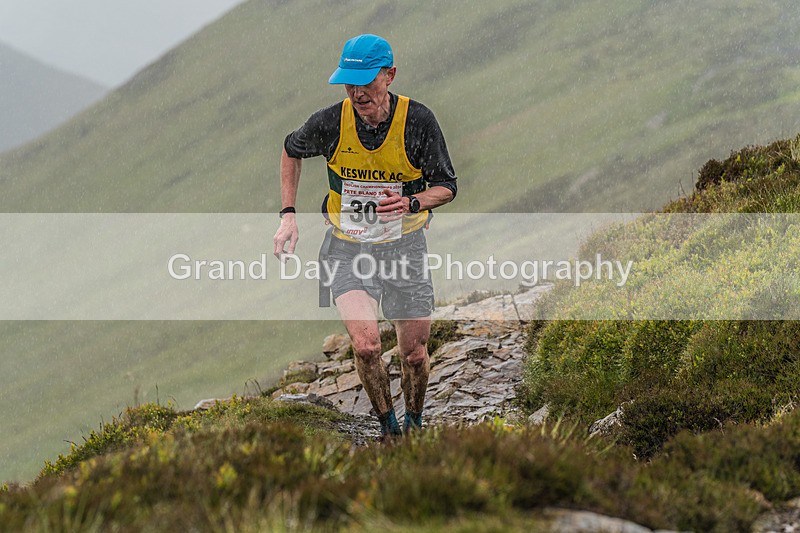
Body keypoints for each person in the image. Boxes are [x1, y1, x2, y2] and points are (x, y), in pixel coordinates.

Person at [273, 34, 457, 438]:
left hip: (405, 247)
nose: (357, 92)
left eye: (366, 81)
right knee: (368, 346)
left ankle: (414, 421)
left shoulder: (418, 122)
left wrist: (411, 203)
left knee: (413, 354)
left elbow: (446, 186)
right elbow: (290, 149)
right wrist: (288, 215)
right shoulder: (330, 122)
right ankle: (388, 427)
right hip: (347, 247)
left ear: (389, 75)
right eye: (349, 83)